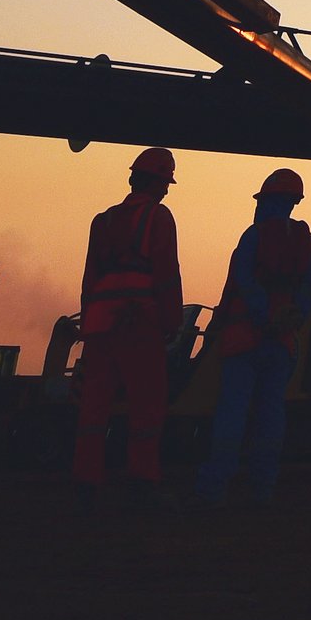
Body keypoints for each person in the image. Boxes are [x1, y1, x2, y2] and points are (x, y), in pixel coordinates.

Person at [200, 167, 311, 507]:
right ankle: (261, 491)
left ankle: (214, 489)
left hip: (244, 337)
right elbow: (310, 287)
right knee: (270, 415)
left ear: (267, 200)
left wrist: (225, 323)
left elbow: (238, 282)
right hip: (281, 342)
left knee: (233, 413)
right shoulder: (304, 240)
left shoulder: (253, 237)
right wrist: (293, 319)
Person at [72, 148, 183, 506]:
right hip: (138, 322)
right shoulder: (158, 217)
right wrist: (171, 321)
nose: (167, 190)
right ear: (156, 183)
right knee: (147, 403)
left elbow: (90, 279)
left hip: (102, 324)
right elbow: (166, 273)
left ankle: (86, 484)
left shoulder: (102, 221)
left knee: (94, 406)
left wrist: (88, 323)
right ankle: (142, 481)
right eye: (165, 183)